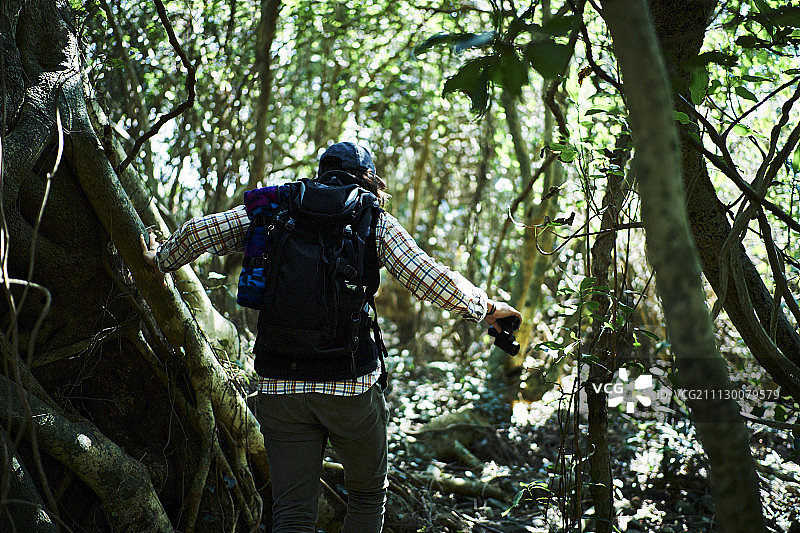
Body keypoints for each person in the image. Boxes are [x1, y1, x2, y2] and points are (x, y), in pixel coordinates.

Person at [141, 141, 521, 533]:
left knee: (292, 510)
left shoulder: (277, 205)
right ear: (368, 179)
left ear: (322, 173)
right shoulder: (372, 217)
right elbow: (426, 276)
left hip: (279, 382)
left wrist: (162, 260)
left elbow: (203, 231)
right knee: (368, 496)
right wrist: (486, 308)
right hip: (350, 384)